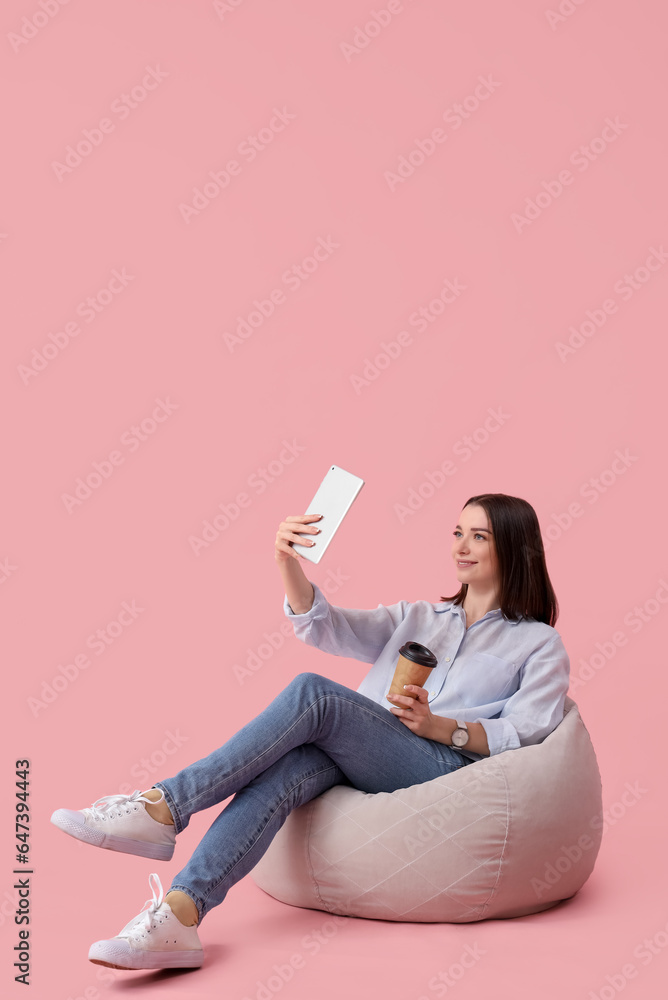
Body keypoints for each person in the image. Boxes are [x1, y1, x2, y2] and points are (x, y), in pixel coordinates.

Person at [51, 492, 570, 971]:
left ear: (514, 547)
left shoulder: (539, 644)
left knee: (313, 695)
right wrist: (286, 563)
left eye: (479, 536)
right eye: (457, 532)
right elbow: (326, 625)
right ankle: (181, 915)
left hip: (443, 769)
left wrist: (443, 727)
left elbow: (527, 731)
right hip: (372, 752)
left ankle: (164, 806)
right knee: (287, 770)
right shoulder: (419, 616)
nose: (461, 546)